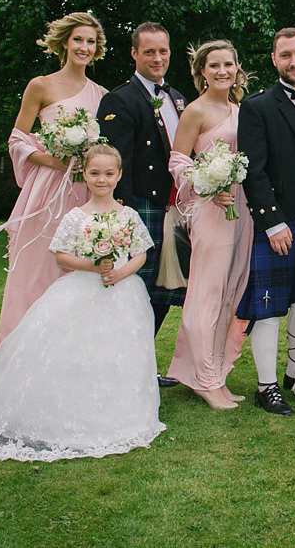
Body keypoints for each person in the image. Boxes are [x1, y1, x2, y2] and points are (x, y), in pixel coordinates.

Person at [0, 144, 164, 461]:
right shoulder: (76, 216)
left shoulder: (127, 215)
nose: (102, 180)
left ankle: (117, 414)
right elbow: (61, 256)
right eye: (95, 173)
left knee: (115, 352)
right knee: (76, 350)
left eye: (109, 174)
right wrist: (91, 266)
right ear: (84, 175)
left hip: (122, 292)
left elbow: (140, 252)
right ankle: (65, 413)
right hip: (81, 289)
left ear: (119, 175)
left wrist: (121, 272)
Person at [0, 11, 107, 344]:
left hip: (83, 193)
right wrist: (53, 161)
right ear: (65, 43)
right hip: (47, 191)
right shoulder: (40, 85)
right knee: (37, 270)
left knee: (79, 269)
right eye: (78, 40)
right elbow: (17, 138)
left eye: (90, 41)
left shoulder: (101, 94)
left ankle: (67, 353)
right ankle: (20, 351)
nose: (84, 47)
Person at [237, 28, 295, 416]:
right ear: (274, 60)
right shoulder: (257, 107)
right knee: (269, 305)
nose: (294, 62)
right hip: (280, 220)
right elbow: (253, 171)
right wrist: (272, 223)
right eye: (285, 56)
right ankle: (266, 386)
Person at [97, 22, 187, 385]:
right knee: (135, 289)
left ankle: (141, 362)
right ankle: (118, 364)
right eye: (149, 51)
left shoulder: (177, 97)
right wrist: (124, 215)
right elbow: (117, 162)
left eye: (162, 51)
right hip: (140, 207)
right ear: (134, 54)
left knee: (165, 289)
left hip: (171, 208)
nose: (157, 58)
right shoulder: (120, 99)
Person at [166, 40, 252, 409]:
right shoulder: (196, 111)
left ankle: (216, 374)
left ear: (236, 69)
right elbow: (177, 162)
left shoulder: (240, 109)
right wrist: (207, 183)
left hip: (241, 209)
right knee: (206, 294)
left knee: (232, 292)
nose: (222, 71)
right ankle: (203, 379)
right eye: (214, 65)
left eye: (228, 65)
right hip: (210, 208)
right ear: (202, 71)